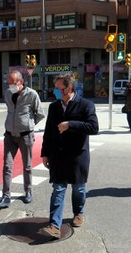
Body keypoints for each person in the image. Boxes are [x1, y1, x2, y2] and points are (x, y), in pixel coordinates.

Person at [39, 73, 99, 239]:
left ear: (69, 88)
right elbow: (49, 131)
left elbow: (94, 127)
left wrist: (70, 124)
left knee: (79, 188)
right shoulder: (54, 107)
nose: (56, 91)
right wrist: (45, 153)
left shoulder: (85, 105)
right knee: (58, 189)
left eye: (59, 88)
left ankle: (79, 212)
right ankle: (54, 226)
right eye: (56, 88)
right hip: (58, 155)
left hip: (78, 155)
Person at [0, 71, 45, 208]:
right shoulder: (8, 93)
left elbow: (40, 113)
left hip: (25, 136)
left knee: (27, 166)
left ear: (21, 82)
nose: (10, 86)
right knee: (7, 165)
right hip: (10, 135)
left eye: (13, 83)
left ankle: (28, 191)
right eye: (8, 83)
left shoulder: (31, 94)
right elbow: (10, 110)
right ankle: (6, 196)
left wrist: (29, 124)